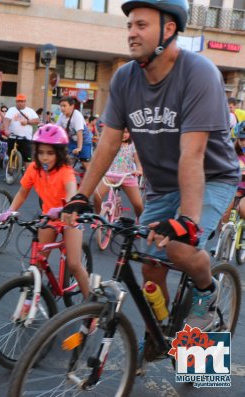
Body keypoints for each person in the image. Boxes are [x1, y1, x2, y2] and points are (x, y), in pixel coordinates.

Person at [62, 0, 240, 336]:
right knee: (151, 272)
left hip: (211, 177)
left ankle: (206, 291)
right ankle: (159, 335)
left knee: (180, 247)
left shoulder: (199, 73)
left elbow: (194, 152)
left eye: (141, 25)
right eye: (129, 25)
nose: (131, 33)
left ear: (168, 29)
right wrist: (82, 195)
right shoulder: (125, 78)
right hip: (160, 185)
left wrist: (186, 220)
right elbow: (108, 143)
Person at [0, 124, 90, 298]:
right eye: (41, 152)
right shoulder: (34, 168)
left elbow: (71, 190)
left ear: (59, 153)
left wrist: (67, 207)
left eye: (50, 153)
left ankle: (92, 308)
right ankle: (29, 303)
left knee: (74, 264)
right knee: (38, 262)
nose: (45, 158)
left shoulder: (65, 171)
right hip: (50, 217)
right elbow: (22, 193)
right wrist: (10, 211)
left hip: (70, 217)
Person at [93, 129, 144, 218]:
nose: (124, 135)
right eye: (122, 132)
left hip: (127, 176)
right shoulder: (111, 143)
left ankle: (141, 224)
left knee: (138, 205)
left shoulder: (133, 145)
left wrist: (139, 170)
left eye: (126, 132)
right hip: (110, 175)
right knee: (97, 195)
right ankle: (98, 218)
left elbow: (138, 162)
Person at [3, 93, 40, 169]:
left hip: (26, 139)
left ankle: (28, 177)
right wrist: (6, 129)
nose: (20, 103)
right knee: (11, 158)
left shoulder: (30, 110)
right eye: (18, 101)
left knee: (28, 160)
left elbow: (37, 120)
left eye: (22, 101)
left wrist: (27, 122)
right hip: (13, 137)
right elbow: (6, 120)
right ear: (16, 102)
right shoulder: (11, 110)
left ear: (25, 102)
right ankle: (10, 174)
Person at [56, 96, 92, 171]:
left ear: (72, 106)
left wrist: (79, 148)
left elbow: (79, 133)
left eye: (64, 106)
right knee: (68, 161)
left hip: (84, 141)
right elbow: (57, 129)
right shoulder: (61, 116)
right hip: (72, 141)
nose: (62, 108)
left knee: (85, 163)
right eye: (61, 106)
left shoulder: (77, 115)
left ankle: (91, 180)